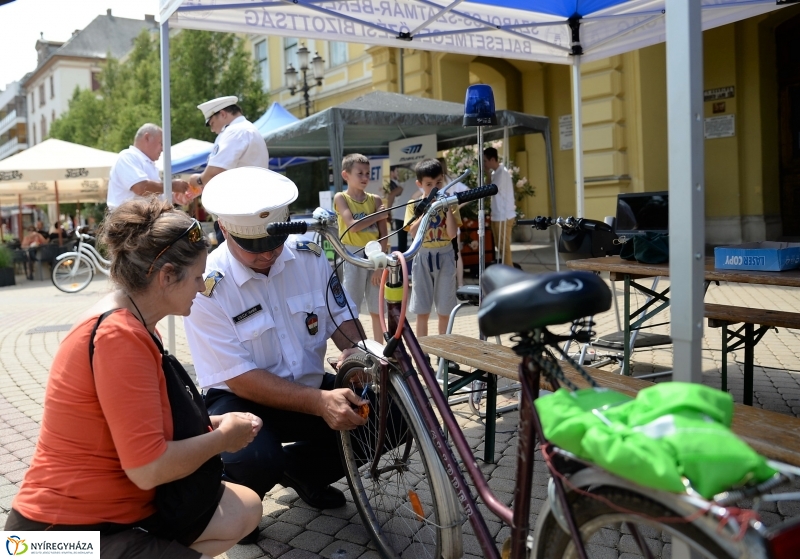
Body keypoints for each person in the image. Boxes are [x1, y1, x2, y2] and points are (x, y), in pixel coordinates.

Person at [5, 198, 263, 559]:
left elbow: (141, 424)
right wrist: (222, 439)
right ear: (166, 275)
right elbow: (148, 467)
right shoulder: (118, 337)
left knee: (243, 508)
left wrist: (212, 423)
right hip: (53, 538)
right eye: (196, 277)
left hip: (111, 515)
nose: (203, 287)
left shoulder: (135, 320)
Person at [184, 166, 398, 545]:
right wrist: (319, 402)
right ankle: (238, 498)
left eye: (274, 243)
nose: (266, 254)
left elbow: (341, 317)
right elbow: (238, 376)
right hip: (240, 397)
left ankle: (303, 473)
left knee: (389, 418)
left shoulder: (309, 256)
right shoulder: (207, 285)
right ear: (224, 229)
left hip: (308, 386)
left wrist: (356, 353)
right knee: (257, 458)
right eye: (253, 247)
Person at [188, 96, 270, 243]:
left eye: (212, 123)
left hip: (236, 215)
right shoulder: (248, 129)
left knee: (232, 262)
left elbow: (215, 171)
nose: (213, 129)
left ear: (223, 114)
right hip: (248, 211)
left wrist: (198, 180)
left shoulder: (234, 132)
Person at [404, 159, 461, 338]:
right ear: (420, 184)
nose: (434, 188)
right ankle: (424, 353)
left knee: (445, 309)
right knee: (422, 311)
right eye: (429, 184)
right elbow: (413, 232)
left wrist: (446, 207)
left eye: (438, 183)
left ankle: (444, 353)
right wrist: (427, 210)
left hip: (445, 255)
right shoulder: (413, 205)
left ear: (443, 180)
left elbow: (452, 233)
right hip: (423, 257)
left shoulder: (450, 203)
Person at [334, 153, 388, 342]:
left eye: (368, 173)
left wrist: (379, 265)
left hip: (375, 256)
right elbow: (353, 226)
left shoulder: (375, 200)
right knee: (352, 306)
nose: (365, 178)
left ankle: (380, 351)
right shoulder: (341, 197)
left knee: (377, 307)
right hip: (352, 255)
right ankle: (355, 346)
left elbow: (384, 235)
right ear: (346, 175)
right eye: (360, 173)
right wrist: (378, 216)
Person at [107, 123, 190, 210]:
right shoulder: (127, 156)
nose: (162, 148)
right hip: (127, 220)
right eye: (161, 143)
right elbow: (141, 188)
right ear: (147, 138)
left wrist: (173, 197)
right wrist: (171, 186)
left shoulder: (146, 163)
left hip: (139, 219)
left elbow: (151, 194)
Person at [438, 157, 470, 289]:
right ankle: (460, 284)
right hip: (450, 223)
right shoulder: (451, 181)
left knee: (445, 255)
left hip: (440, 225)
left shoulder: (442, 182)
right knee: (456, 255)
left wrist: (457, 206)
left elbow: (415, 196)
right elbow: (468, 192)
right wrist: (457, 206)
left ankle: (451, 285)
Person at [483, 147, 516, 267]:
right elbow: (488, 186)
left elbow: (490, 191)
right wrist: (487, 173)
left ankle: (511, 274)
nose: (484, 164)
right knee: (499, 246)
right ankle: (508, 270)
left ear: (492, 159)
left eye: (485, 161)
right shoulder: (495, 173)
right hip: (497, 215)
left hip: (504, 215)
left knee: (504, 247)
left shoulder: (502, 173)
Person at [384, 165, 406, 251]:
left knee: (402, 241)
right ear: (391, 172)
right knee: (401, 241)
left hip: (401, 214)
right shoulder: (392, 184)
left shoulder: (399, 183)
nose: (398, 174)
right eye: (397, 171)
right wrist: (388, 212)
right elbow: (391, 195)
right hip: (400, 214)